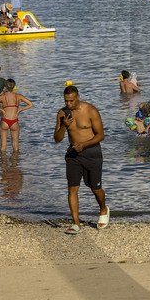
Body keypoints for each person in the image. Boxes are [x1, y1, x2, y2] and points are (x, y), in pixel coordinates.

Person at [54, 84, 106, 232]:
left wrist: (84, 145)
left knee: (95, 188)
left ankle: (103, 209)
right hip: (73, 154)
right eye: (66, 101)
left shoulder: (90, 110)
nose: (68, 104)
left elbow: (101, 135)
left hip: (92, 152)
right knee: (72, 189)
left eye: (71, 101)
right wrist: (63, 126)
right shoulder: (62, 113)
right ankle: (76, 223)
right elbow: (57, 139)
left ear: (78, 97)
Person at [0, 79, 30, 154]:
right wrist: (20, 110)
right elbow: (30, 104)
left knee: (3, 146)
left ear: (6, 86)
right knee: (15, 146)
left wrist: (1, 110)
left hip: (5, 120)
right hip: (14, 121)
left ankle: (3, 163)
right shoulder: (18, 96)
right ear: (14, 86)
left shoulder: (3, 97)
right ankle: (15, 164)